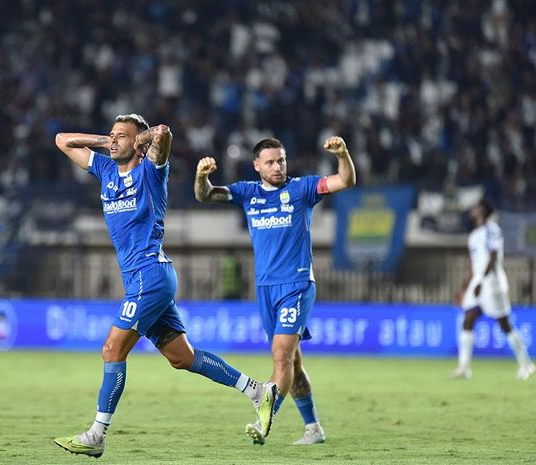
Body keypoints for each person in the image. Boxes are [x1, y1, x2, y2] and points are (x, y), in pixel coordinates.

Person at [52, 114, 278, 458]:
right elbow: (62, 140)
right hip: (146, 279)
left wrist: (144, 139)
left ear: (138, 144)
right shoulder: (106, 169)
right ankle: (257, 391)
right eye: (111, 135)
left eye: (121, 136)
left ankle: (97, 434)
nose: (113, 141)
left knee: (112, 350)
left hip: (150, 276)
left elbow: (164, 135)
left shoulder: (150, 172)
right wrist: (110, 140)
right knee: (182, 357)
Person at [193, 136, 356, 445]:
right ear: (257, 166)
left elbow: (346, 180)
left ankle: (263, 419)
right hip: (266, 288)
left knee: (280, 356)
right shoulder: (246, 193)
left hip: (296, 285)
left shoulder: (302, 189)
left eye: (281, 160)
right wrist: (202, 176)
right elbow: (205, 196)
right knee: (292, 363)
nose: (277, 166)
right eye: (270, 162)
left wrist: (343, 154)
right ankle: (314, 429)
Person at [452, 199, 535, 380]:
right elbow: (474, 265)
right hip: (478, 283)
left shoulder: (492, 229)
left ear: (482, 211)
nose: (472, 210)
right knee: (468, 319)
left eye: (475, 208)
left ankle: (526, 364)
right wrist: (464, 287)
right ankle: (464, 368)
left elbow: (493, 254)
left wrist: (481, 280)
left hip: (492, 283)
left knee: (504, 324)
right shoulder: (474, 235)